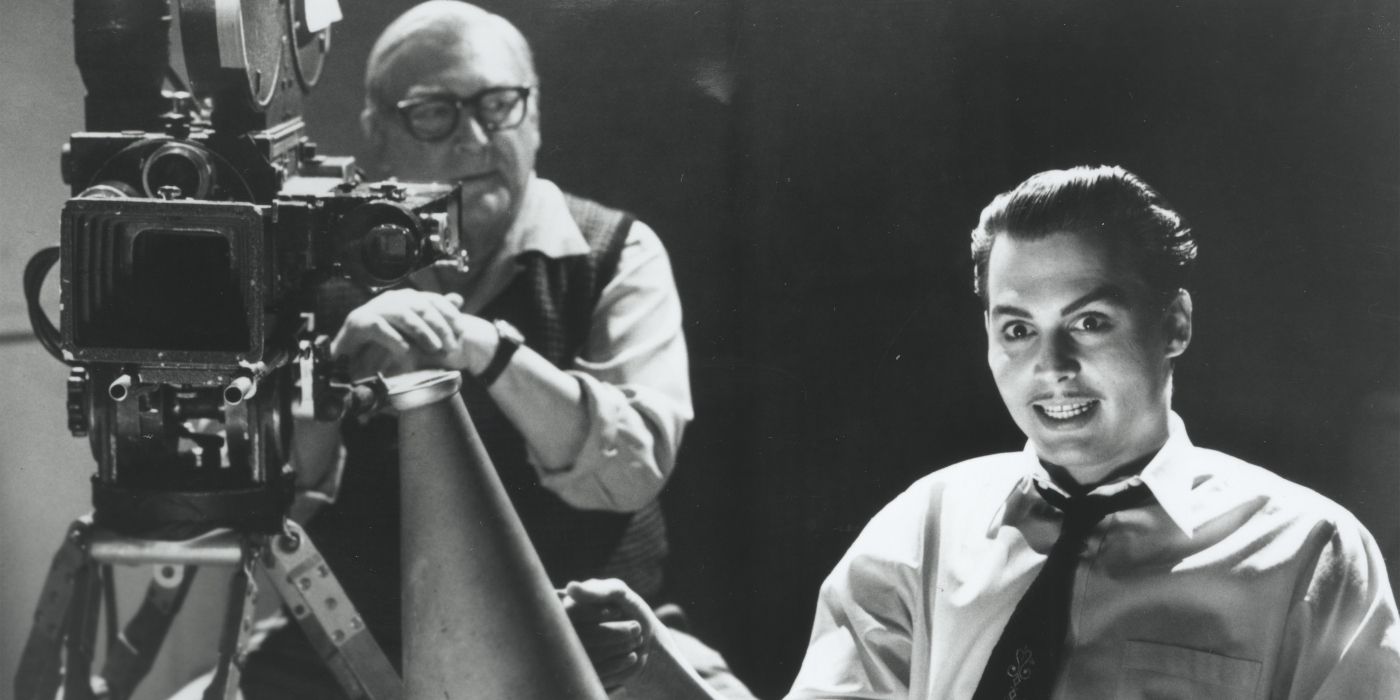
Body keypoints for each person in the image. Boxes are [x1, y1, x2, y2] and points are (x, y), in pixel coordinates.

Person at [565, 165, 1400, 699]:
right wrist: (652, 664)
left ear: (1174, 323)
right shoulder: (925, 528)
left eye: (1092, 321)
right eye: (1016, 328)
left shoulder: (1309, 554)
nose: (1053, 366)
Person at [231, 2, 749, 697]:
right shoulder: (319, 274)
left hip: (585, 642)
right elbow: (279, 510)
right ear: (377, 133)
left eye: (499, 105)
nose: (475, 139)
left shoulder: (616, 252)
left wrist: (486, 350)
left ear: (535, 120)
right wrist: (329, 376)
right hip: (358, 649)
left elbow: (634, 471)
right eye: (435, 113)